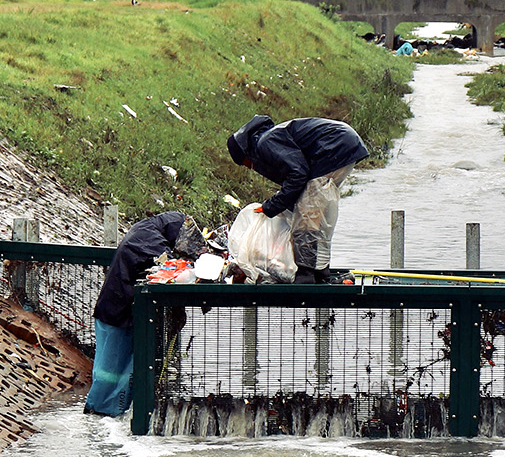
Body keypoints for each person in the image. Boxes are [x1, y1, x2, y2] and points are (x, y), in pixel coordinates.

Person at [86, 211, 205, 417]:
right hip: (116, 313)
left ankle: (112, 414)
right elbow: (167, 264)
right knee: (110, 372)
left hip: (120, 311)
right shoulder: (147, 237)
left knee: (121, 371)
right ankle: (99, 412)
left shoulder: (146, 229)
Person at [228, 115, 369, 283]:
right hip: (343, 145)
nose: (250, 167)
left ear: (246, 153)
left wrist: (272, 206)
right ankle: (320, 271)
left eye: (245, 163)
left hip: (333, 147)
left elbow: (298, 173)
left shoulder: (265, 143)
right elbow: (297, 177)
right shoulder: (271, 138)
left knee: (307, 215)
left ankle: (305, 274)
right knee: (318, 216)